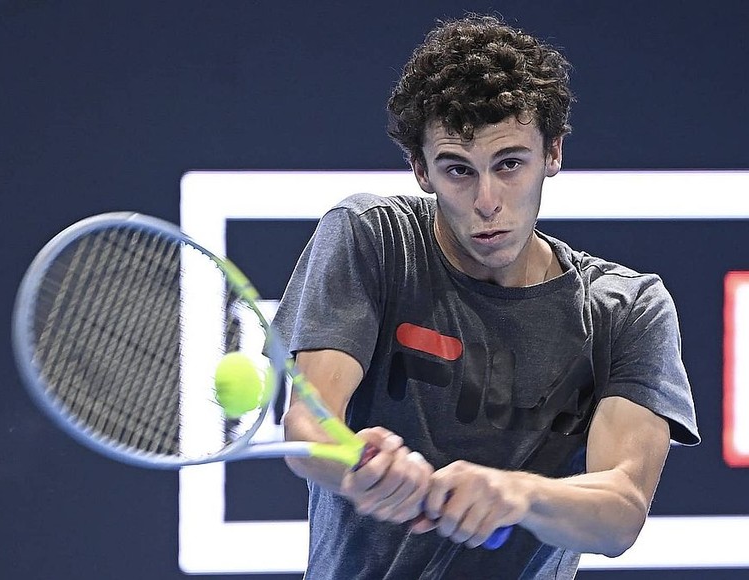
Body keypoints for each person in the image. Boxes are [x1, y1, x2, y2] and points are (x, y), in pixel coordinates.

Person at [272, 13, 699, 579]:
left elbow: (620, 513)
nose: (487, 200)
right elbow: (308, 424)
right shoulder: (369, 238)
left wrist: (515, 494)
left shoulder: (626, 310)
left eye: (510, 164)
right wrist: (358, 464)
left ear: (553, 153)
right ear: (420, 170)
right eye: (458, 170)